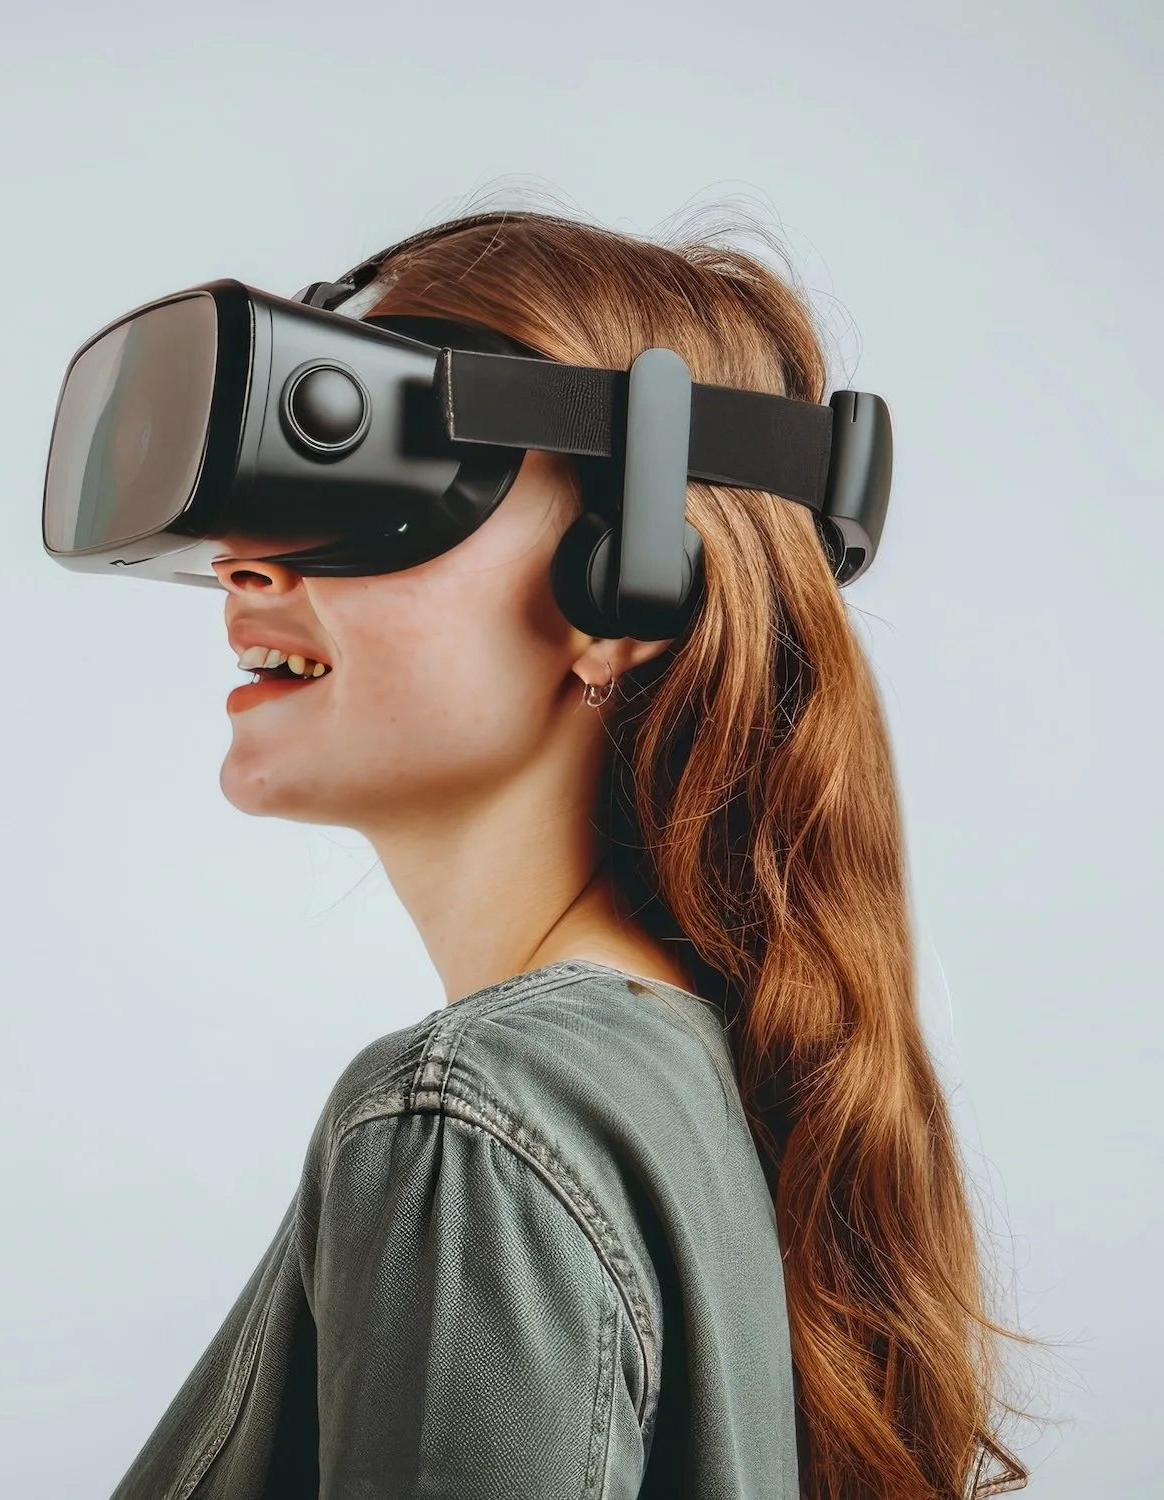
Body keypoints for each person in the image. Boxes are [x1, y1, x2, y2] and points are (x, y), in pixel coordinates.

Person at [105, 214, 1024, 1500]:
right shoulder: (716, 1088)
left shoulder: (471, 1122)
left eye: (383, 476)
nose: (242, 563)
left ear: (629, 583)